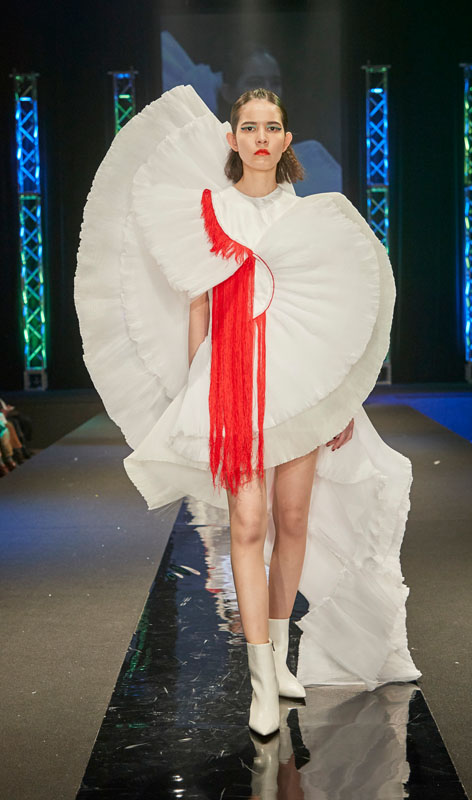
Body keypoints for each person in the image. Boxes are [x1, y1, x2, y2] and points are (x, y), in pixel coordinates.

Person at [74, 84, 421, 738]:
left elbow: (338, 315)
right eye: (250, 127)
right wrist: (196, 390)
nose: (261, 138)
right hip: (233, 382)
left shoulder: (310, 216)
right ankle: (261, 680)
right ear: (232, 138)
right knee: (248, 523)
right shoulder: (210, 210)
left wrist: (341, 399)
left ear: (286, 140)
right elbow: (198, 308)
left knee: (293, 519)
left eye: (271, 127)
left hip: (298, 383)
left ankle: (281, 658)